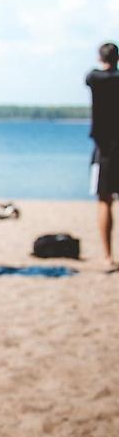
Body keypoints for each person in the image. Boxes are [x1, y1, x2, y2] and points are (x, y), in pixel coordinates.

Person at [87, 41, 119, 271]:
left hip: (104, 147)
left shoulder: (95, 79)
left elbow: (92, 75)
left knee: (104, 200)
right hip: (111, 144)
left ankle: (108, 256)